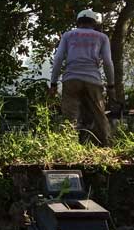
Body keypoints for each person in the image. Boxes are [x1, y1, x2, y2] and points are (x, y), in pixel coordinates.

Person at [48, 9, 115, 146]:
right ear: (94, 23)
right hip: (93, 79)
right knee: (98, 115)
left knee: (70, 116)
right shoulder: (102, 37)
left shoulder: (68, 35)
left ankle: (68, 146)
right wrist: (111, 85)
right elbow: (108, 62)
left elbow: (58, 59)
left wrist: (53, 83)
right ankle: (106, 145)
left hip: (71, 79)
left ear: (78, 22)